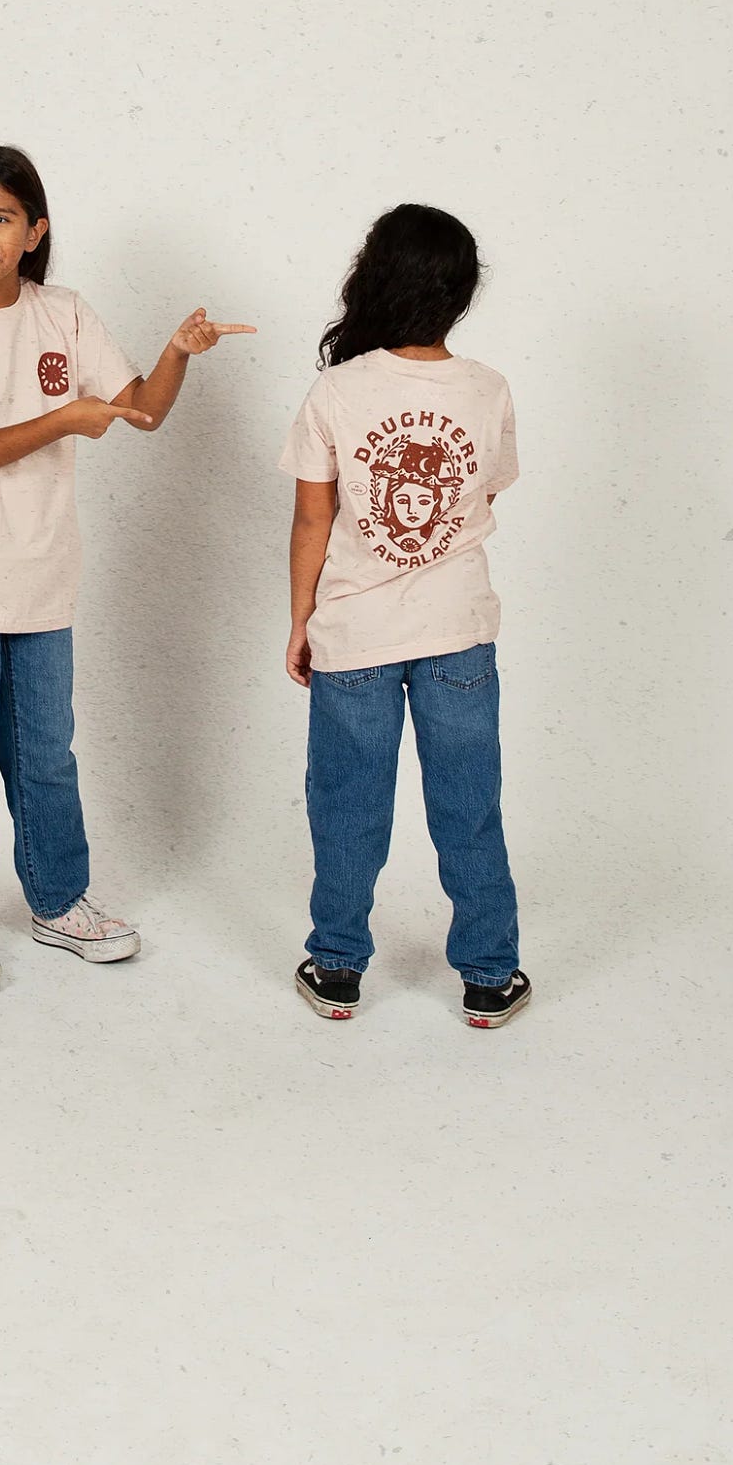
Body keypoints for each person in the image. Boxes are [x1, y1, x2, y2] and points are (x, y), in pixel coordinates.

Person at [0, 143, 254, 990]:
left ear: (34, 231)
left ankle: (57, 902)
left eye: (1, 219)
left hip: (43, 577)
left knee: (46, 753)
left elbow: (141, 412)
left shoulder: (66, 315)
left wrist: (178, 352)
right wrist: (64, 418)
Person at [279, 203, 531, 1028]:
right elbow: (484, 489)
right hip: (458, 630)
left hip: (355, 635)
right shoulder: (487, 390)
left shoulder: (337, 391)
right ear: (461, 293)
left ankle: (339, 965)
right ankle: (490, 976)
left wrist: (300, 621)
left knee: (349, 809)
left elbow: (314, 519)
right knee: (470, 805)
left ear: (373, 280)